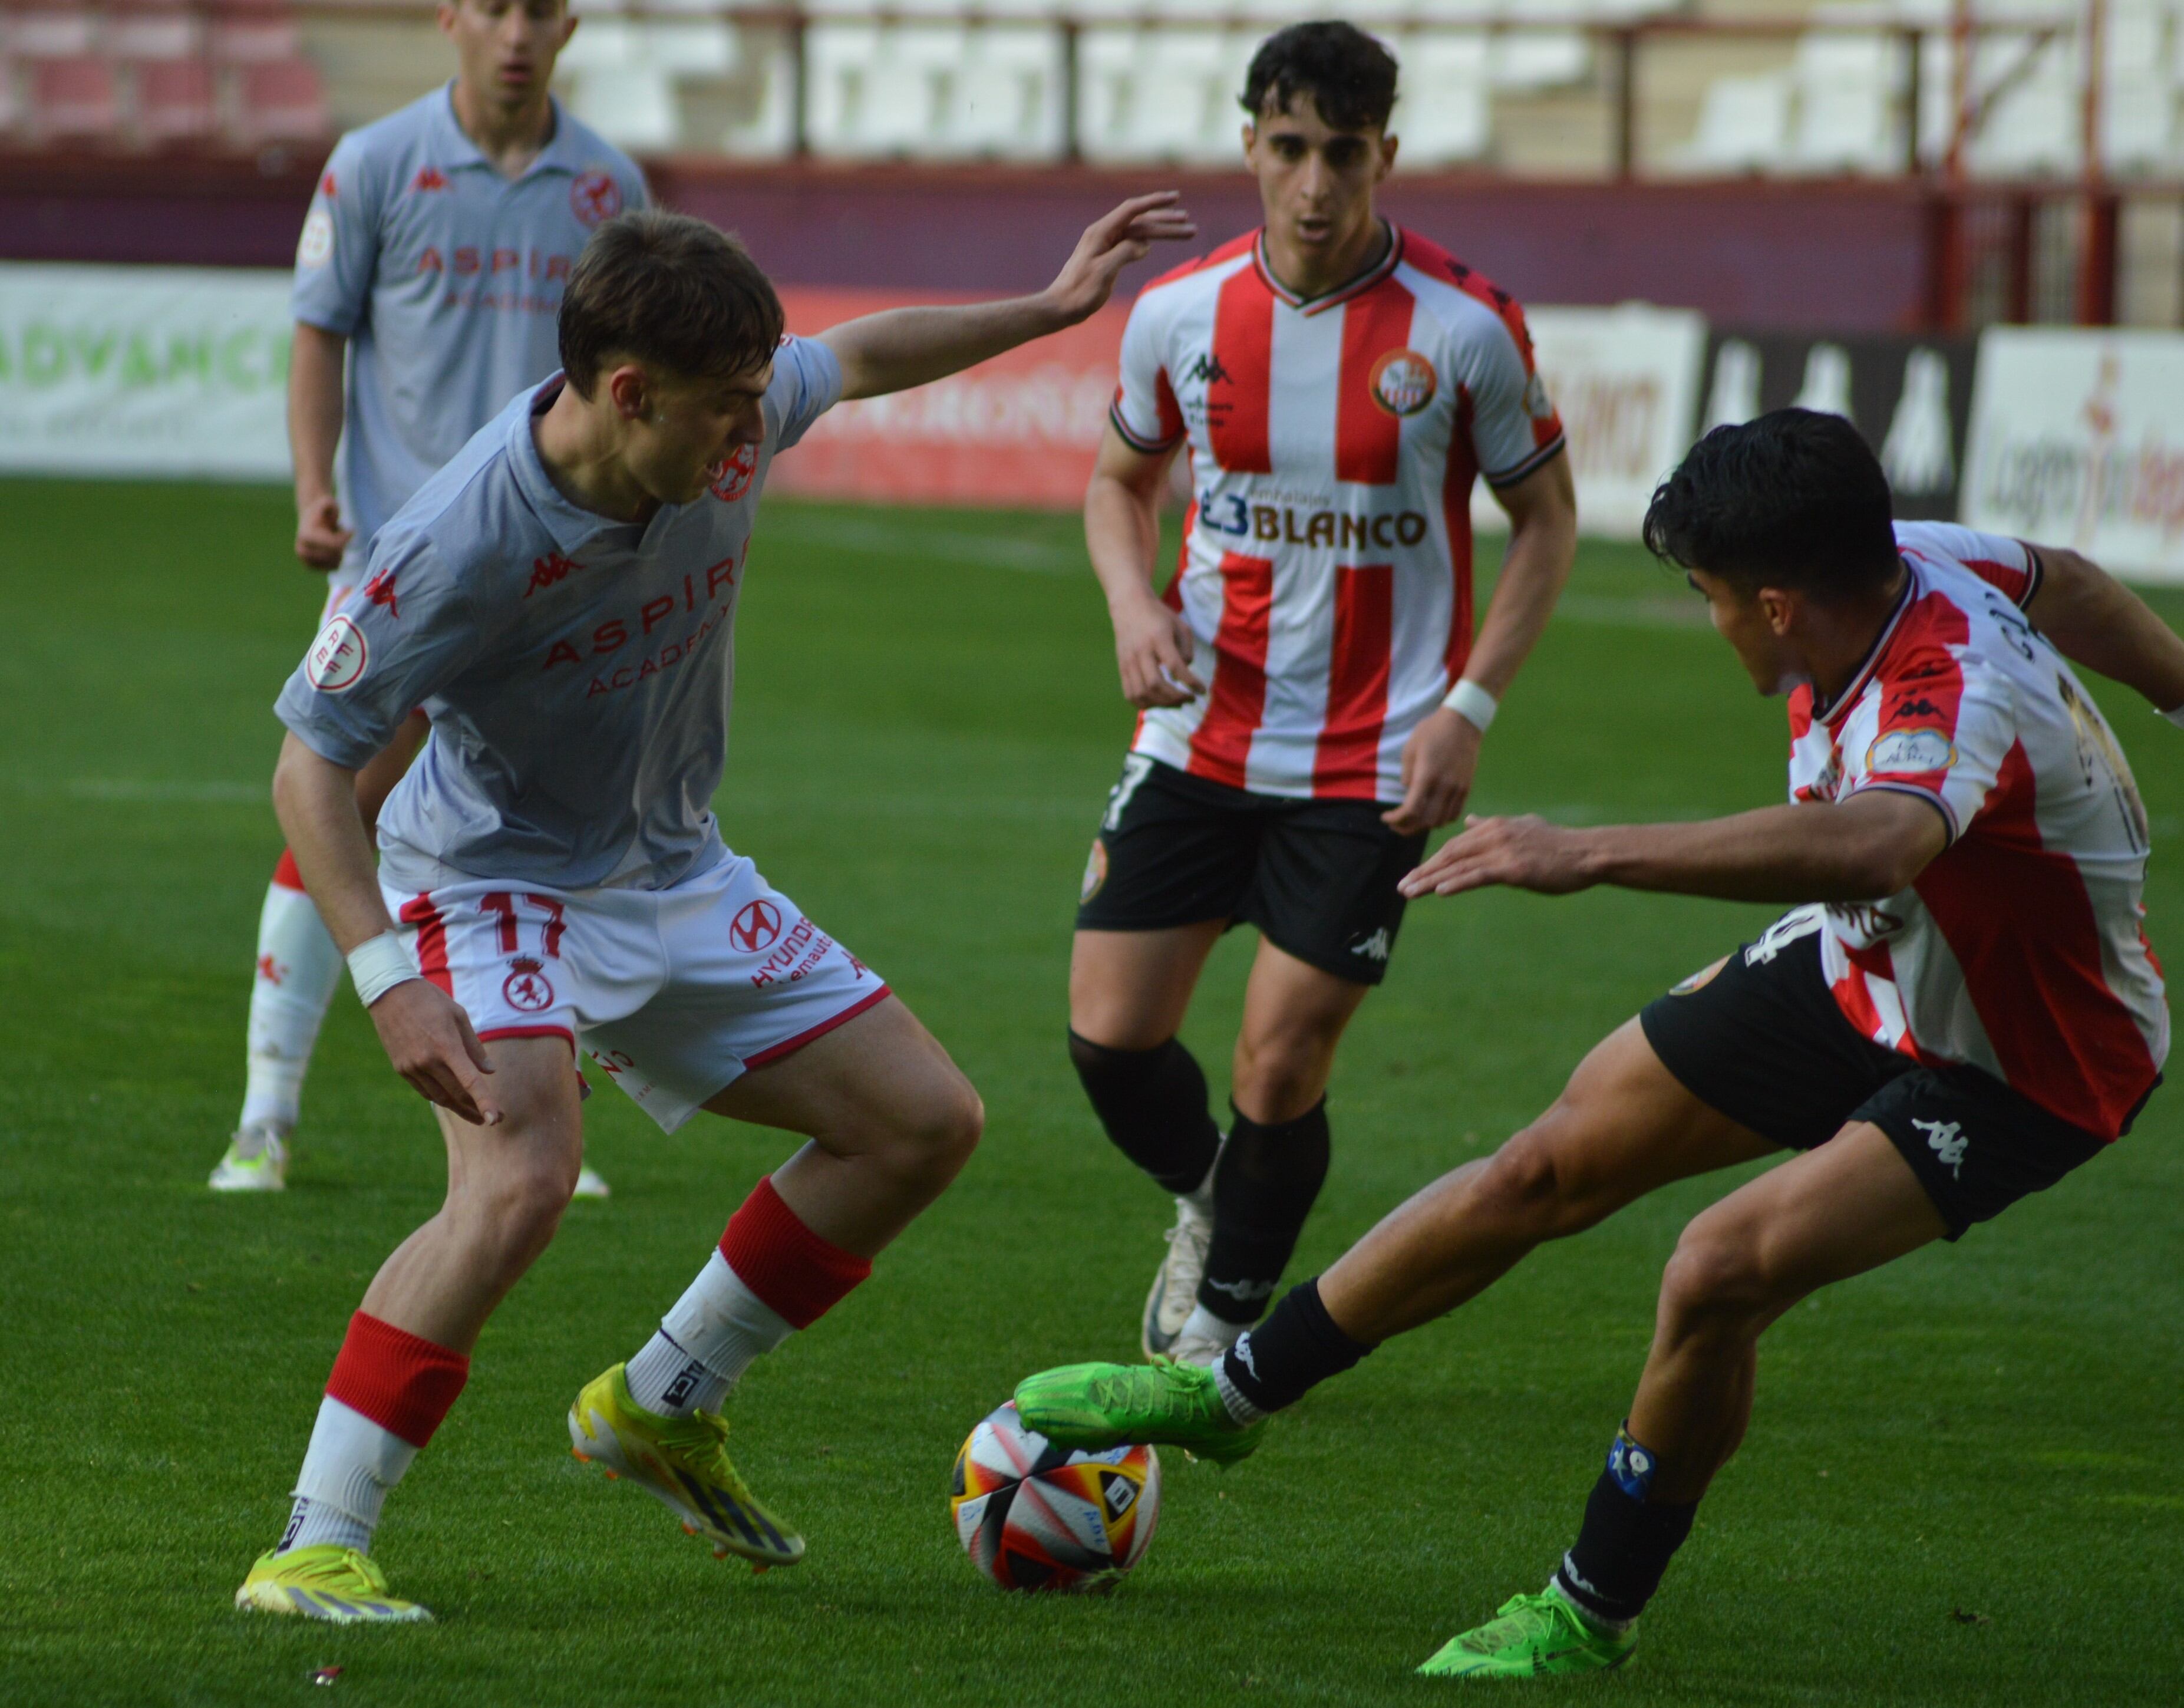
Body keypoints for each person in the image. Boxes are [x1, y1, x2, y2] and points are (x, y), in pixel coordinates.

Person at [1017, 410, 2181, 1676]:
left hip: (2022, 1059)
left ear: (1779, 605)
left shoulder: (1942, 686)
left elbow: (1872, 841)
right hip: (1866, 962)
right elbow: (2060, 577)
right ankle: (1231, 1393)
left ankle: (1589, 1610)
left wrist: (1582, 852)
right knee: (1544, 1164)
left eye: (1710, 599)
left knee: (1716, 1268)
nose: (1712, 621)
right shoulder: (1898, 556)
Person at [233, 193, 1196, 1624]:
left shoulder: (720, 418)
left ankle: (661, 1402)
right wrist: (385, 976)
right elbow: (309, 777)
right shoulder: (455, 543)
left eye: (759, 402)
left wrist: (1053, 311)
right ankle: (312, 1543)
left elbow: (858, 357)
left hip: (672, 869)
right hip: (491, 880)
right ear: (627, 394)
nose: (755, 440)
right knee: (519, 1181)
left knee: (921, 1124)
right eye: (729, 414)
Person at [1068, 21, 1577, 1368]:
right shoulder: (1181, 315)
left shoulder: (1465, 330)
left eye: (1340, 155)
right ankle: (1208, 1200)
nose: (1311, 184)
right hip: (1197, 729)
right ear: (1248, 144)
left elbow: (1545, 523)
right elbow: (1117, 483)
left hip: (1370, 759)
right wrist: (1132, 606)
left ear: (1384, 156)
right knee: (1111, 1042)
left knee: (1275, 1067)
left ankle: (1223, 1332)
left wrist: (1466, 704)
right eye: (1286, 149)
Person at [212, 0, 644, 1198]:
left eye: (539, 10)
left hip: (557, 576)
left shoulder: (611, 187)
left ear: (569, 25)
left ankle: (536, 1113)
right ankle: (266, 1115)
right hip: (405, 562)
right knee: (335, 801)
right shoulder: (375, 164)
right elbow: (321, 330)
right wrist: (313, 485)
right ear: (449, 17)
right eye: (493, 6)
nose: (515, 32)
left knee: (548, 833)